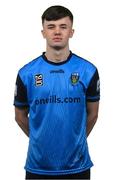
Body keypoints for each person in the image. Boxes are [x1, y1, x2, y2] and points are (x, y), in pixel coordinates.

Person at [14, 5, 100, 180]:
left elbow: (93, 114)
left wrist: (75, 141)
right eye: (51, 27)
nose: (57, 32)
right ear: (43, 32)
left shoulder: (88, 71)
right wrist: (41, 140)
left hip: (77, 166)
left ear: (72, 32)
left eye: (63, 26)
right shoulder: (26, 73)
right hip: (38, 167)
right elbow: (20, 116)